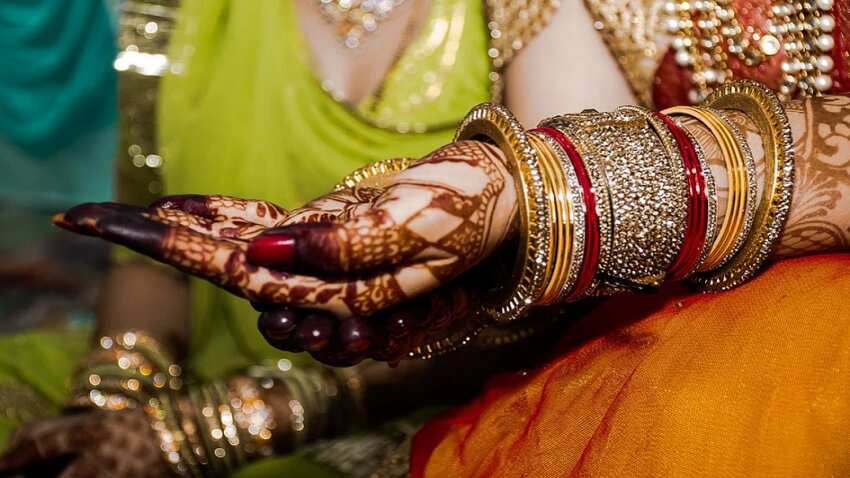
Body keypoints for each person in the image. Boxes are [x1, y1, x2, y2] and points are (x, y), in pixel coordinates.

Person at [6, 0, 850, 477]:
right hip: (215, 360)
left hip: (407, 403)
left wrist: (217, 429)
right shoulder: (182, 13)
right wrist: (113, 397)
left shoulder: (515, 16)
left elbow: (555, 270)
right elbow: (151, 242)